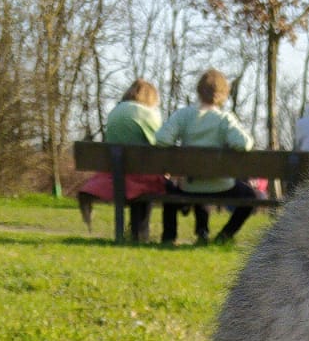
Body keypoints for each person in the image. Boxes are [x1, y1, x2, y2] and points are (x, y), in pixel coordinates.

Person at [156, 69, 257, 244]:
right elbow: (244, 143)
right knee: (250, 197)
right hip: (221, 186)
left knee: (171, 191)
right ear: (223, 94)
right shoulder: (224, 119)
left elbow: (161, 139)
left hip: (189, 186)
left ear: (199, 90)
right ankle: (224, 236)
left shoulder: (183, 115)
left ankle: (169, 237)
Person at [77, 79, 167, 243]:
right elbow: (160, 145)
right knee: (150, 182)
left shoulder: (115, 112)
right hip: (139, 176)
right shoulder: (149, 114)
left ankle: (135, 233)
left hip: (116, 175)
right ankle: (139, 233)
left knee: (140, 180)